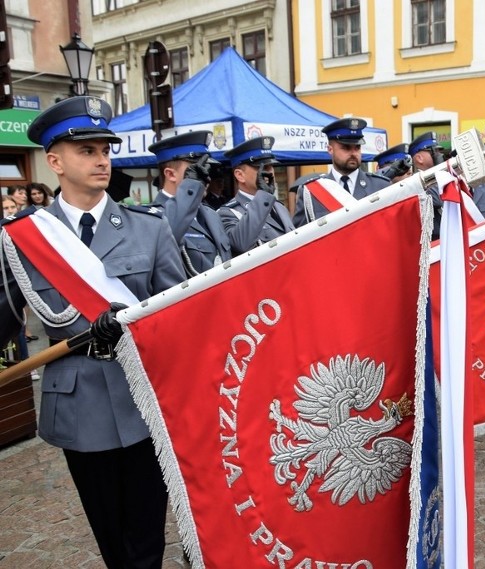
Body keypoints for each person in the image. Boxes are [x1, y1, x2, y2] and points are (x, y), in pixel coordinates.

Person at [0, 96, 185, 568]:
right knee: (110, 539)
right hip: (78, 404)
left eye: (105, 149)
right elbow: (4, 315)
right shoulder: (23, 237)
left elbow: (180, 314)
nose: (101, 159)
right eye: (86, 151)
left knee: (147, 535)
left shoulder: (150, 230)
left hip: (142, 399)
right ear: (55, 161)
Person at [148, 131, 232, 275]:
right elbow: (169, 237)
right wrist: (192, 186)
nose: (206, 177)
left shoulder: (211, 214)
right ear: (170, 174)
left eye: (206, 169)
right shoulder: (151, 218)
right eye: (197, 170)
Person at [292, 118, 389, 227]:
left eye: (357, 147)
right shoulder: (312, 192)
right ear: (330, 149)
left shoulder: (381, 187)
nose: (353, 153)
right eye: (346, 148)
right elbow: (300, 238)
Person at [218, 136, 295, 254]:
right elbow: (241, 244)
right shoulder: (227, 213)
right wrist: (263, 195)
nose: (269, 172)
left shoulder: (279, 207)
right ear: (240, 175)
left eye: (270, 166)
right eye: (261, 167)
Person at [409, 131, 445, 240]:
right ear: (419, 158)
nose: (439, 155)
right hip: (431, 241)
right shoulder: (415, 181)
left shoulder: (439, 177)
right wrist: (440, 169)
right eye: (434, 152)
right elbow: (439, 199)